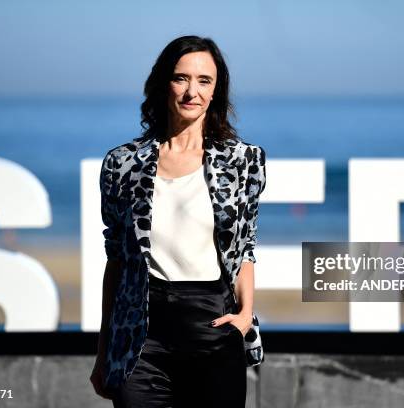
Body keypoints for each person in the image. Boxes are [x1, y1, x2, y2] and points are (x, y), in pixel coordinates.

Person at [89, 35, 267, 408]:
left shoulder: (242, 161)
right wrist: (105, 350)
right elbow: (116, 260)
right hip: (141, 339)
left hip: (212, 330)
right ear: (162, 84)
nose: (191, 92)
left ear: (217, 91)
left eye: (204, 81)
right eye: (180, 78)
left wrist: (245, 315)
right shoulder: (122, 164)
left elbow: (245, 246)